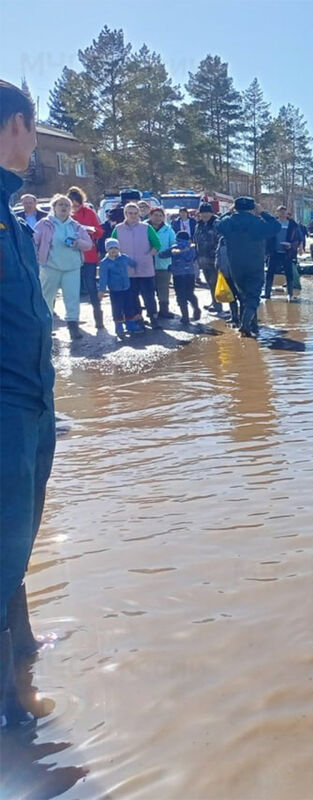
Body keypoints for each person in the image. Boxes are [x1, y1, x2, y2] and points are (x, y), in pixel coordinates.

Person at [0, 78, 54, 729]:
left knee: (15, 543)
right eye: (32, 129)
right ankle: (12, 715)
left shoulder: (12, 219)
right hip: (5, 415)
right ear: (14, 126)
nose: (35, 141)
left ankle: (24, 651)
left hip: (31, 411)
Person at [216, 197, 280, 337]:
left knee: (243, 295)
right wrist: (263, 212)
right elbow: (276, 226)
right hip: (254, 264)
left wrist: (228, 212)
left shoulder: (229, 221)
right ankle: (246, 325)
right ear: (253, 208)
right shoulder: (258, 222)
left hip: (236, 265)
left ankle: (253, 325)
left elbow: (217, 224)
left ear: (235, 207)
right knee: (253, 295)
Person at [33, 194, 94, 340]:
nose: (64, 207)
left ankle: (73, 327)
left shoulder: (76, 226)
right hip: (50, 267)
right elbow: (34, 242)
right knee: (46, 298)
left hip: (72, 267)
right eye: (60, 204)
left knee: (72, 298)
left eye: (67, 205)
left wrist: (78, 242)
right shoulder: (44, 224)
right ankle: (45, 328)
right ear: (53, 207)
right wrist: (37, 259)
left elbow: (89, 245)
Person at [113, 202, 161, 328]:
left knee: (149, 296)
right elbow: (112, 246)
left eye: (135, 213)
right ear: (125, 214)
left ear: (139, 214)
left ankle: (153, 318)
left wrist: (148, 255)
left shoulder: (146, 228)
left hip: (145, 269)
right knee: (132, 297)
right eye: (130, 213)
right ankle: (138, 318)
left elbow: (157, 244)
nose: (133, 216)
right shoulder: (118, 229)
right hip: (127, 270)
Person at [68, 186, 105, 331]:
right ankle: (73, 322)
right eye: (72, 201)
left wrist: (90, 230)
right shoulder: (64, 213)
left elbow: (100, 231)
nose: (75, 205)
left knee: (91, 286)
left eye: (77, 201)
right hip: (70, 255)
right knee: (71, 289)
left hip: (88, 254)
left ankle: (98, 317)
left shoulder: (89, 212)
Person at [97, 238, 139, 337]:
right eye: (111, 248)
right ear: (107, 250)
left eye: (116, 248)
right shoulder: (105, 263)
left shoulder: (124, 258)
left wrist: (135, 266)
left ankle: (130, 325)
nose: (113, 250)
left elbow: (133, 263)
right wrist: (101, 290)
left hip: (126, 288)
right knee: (117, 308)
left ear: (119, 249)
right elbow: (103, 278)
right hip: (115, 290)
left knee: (129, 307)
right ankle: (119, 327)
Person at [264, 205, 304, 302]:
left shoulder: (293, 225)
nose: (282, 213)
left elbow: (298, 238)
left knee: (289, 274)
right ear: (277, 213)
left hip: (287, 253)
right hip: (274, 253)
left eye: (284, 211)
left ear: (287, 213)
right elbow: (266, 237)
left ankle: (290, 295)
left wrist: (292, 246)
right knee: (270, 273)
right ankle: (267, 294)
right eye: (280, 211)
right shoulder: (273, 223)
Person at [192, 202, 222, 313]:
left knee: (215, 281)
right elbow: (196, 240)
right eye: (202, 212)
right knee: (210, 282)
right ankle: (214, 301)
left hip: (215, 258)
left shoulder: (217, 223)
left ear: (211, 212)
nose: (205, 215)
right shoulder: (198, 225)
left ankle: (218, 304)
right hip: (203, 259)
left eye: (207, 212)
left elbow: (221, 240)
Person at [148, 207, 177, 320]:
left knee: (163, 288)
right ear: (150, 216)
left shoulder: (168, 229)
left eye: (160, 216)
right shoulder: (144, 228)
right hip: (147, 264)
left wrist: (168, 252)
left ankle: (164, 310)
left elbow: (174, 243)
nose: (158, 218)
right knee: (149, 289)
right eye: (155, 215)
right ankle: (151, 310)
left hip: (164, 264)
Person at [168, 231, 202, 323]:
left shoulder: (175, 247)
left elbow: (162, 254)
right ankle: (196, 309)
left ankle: (185, 317)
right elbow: (193, 258)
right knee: (190, 293)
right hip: (190, 274)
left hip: (178, 275)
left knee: (180, 295)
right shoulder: (192, 248)